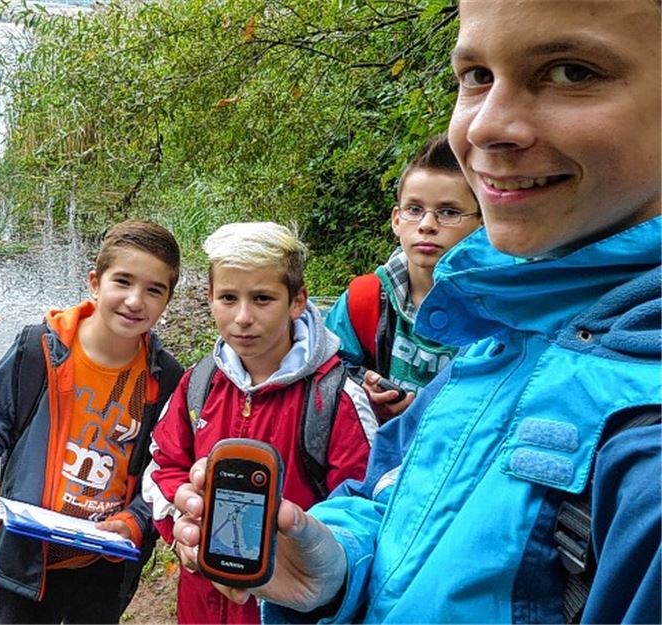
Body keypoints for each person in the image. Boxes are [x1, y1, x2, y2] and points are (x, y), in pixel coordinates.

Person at [170, 0, 661, 622]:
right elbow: (391, 496)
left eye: (571, 72)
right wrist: (337, 569)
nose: (484, 128)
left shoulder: (646, 457)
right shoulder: (506, 328)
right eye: (476, 76)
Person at [0, 219, 184, 624]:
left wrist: (136, 522)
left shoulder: (166, 379)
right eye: (122, 281)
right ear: (95, 282)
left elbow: (162, 473)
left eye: (153, 290)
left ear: (167, 301)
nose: (134, 300)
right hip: (23, 560)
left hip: (103, 567)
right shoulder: (38, 350)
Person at [142, 222, 378, 624]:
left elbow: (362, 511)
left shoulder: (335, 398)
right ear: (210, 299)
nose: (243, 317)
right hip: (200, 603)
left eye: (263, 298)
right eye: (228, 298)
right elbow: (164, 464)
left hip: (288, 611)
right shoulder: (198, 384)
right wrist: (182, 523)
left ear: (297, 301)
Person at [324, 134, 481, 421]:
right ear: (396, 220)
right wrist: (364, 391)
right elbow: (327, 370)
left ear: (482, 223)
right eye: (414, 210)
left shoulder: (499, 309)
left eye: (449, 212)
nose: (427, 225)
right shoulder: (365, 298)